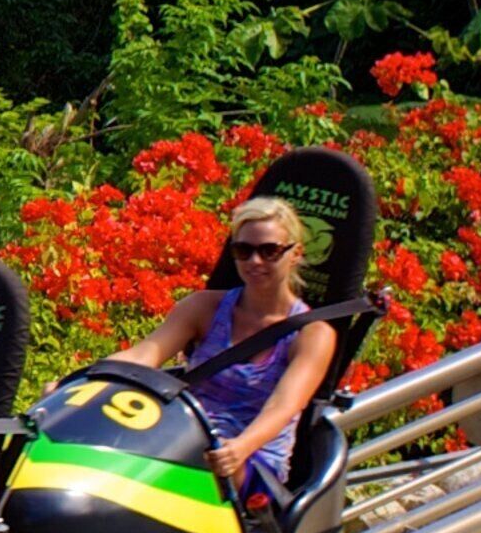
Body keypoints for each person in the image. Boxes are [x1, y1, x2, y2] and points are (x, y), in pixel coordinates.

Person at [110, 195, 339, 506]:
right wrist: (75, 385)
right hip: (183, 440)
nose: (255, 261)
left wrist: (240, 447)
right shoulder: (203, 307)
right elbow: (142, 356)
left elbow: (283, 406)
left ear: (295, 254)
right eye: (243, 251)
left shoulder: (312, 335)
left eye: (269, 251)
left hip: (250, 459)